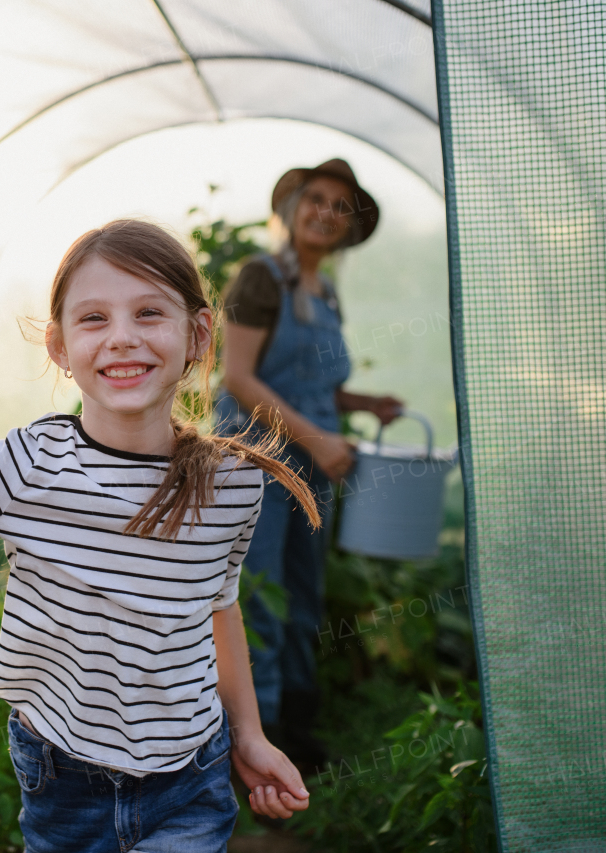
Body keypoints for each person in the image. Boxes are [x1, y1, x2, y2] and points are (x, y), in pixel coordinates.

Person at [0, 220, 320, 850]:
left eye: (149, 312)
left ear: (197, 334)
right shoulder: (25, 466)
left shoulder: (234, 485)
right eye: (93, 319)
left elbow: (218, 609)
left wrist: (249, 735)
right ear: (57, 345)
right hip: (63, 780)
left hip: (193, 776)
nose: (123, 338)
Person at [215, 159, 403, 769]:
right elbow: (239, 378)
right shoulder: (260, 278)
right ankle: (253, 736)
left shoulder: (324, 292)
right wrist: (318, 437)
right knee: (262, 591)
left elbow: (307, 384)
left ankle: (297, 720)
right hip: (257, 463)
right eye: (316, 198)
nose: (326, 211)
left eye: (340, 206)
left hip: (314, 465)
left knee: (304, 590)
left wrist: (361, 403)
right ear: (292, 208)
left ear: (348, 228)